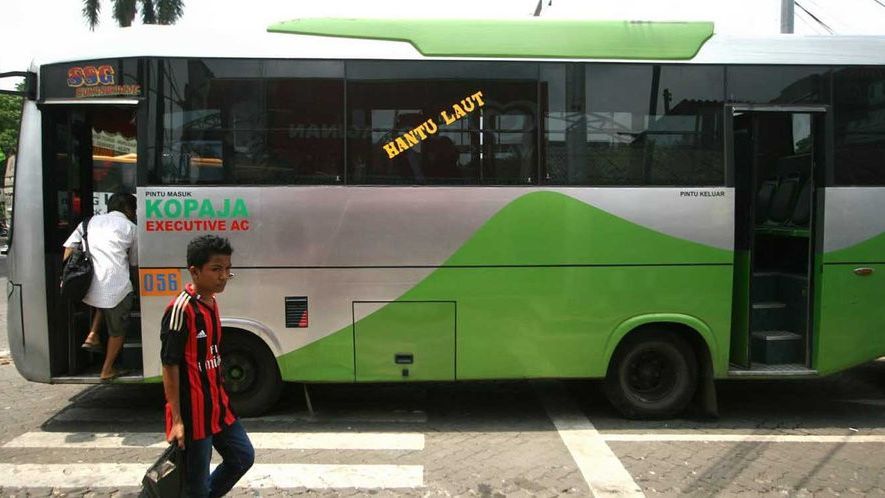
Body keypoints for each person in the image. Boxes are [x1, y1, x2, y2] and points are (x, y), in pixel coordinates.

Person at [161, 235, 254, 497]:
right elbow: (169, 365)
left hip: (218, 407)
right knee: (195, 486)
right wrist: (177, 420)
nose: (224, 276)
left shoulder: (212, 303)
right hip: (193, 415)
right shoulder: (181, 309)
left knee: (242, 457)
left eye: (227, 269)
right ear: (195, 271)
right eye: (216, 269)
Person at [63, 192, 138, 381]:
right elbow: (134, 262)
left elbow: (69, 247)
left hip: (88, 287)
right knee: (118, 329)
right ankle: (107, 369)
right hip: (116, 287)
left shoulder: (88, 223)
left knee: (104, 302)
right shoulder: (131, 228)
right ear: (128, 209)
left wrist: (65, 273)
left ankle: (93, 334)